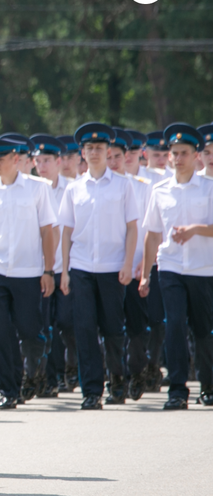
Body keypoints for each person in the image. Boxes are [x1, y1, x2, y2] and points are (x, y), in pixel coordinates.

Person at [57, 123, 138, 410]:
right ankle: (91, 391)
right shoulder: (74, 188)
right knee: (85, 330)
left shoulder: (123, 185)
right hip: (81, 268)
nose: (94, 152)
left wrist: (129, 263)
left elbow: (131, 228)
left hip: (113, 266)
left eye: (99, 149)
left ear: (108, 152)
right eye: (89, 148)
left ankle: (117, 380)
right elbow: (67, 232)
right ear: (82, 152)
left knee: (113, 329)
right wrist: (65, 271)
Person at [0, 136, 57, 410]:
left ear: (16, 159)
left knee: (30, 331)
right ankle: (9, 389)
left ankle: (34, 369)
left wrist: (48, 270)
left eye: (0, 159)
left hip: (28, 271)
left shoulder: (37, 189)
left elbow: (47, 231)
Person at [138, 123, 213, 409]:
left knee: (204, 330)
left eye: (184, 153)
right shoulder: (159, 190)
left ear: (196, 156)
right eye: (174, 153)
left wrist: (195, 229)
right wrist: (145, 275)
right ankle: (178, 390)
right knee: (175, 326)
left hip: (203, 269)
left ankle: (207, 385)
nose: (178, 158)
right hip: (170, 267)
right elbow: (152, 234)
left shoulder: (208, 189)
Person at [109, 128, 156, 400]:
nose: (114, 162)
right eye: (110, 156)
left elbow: (151, 230)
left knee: (136, 326)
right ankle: (116, 380)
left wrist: (145, 265)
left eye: (118, 156)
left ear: (127, 156)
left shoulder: (142, 187)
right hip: (106, 268)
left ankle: (137, 371)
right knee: (111, 328)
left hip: (138, 266)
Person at [29, 134, 74, 397]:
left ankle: (70, 367)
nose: (42, 165)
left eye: (47, 160)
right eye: (39, 160)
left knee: (67, 323)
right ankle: (49, 377)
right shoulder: (32, 188)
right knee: (45, 325)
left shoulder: (72, 188)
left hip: (66, 267)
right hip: (42, 268)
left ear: (58, 162)